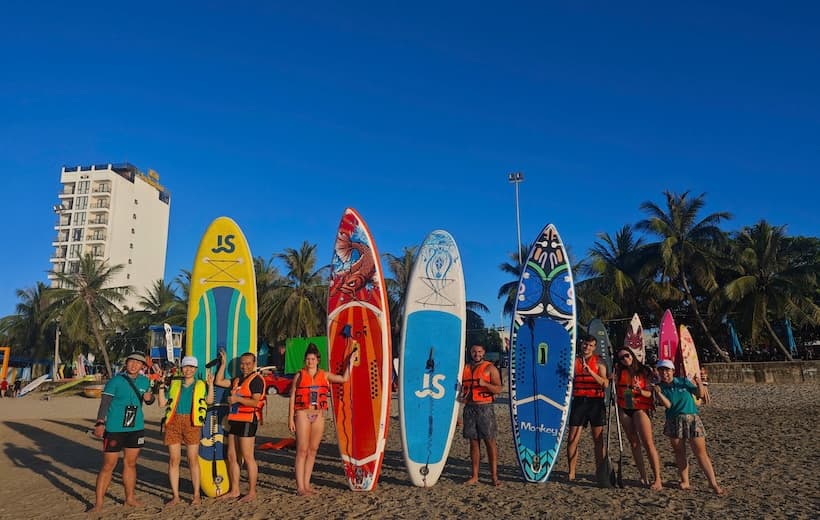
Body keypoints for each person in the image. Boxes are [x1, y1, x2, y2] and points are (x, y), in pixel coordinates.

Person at [89, 351, 155, 513]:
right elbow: (104, 404)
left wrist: (150, 397)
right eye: (131, 361)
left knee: (130, 464)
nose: (134, 365)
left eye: (138, 363)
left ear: (142, 366)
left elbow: (149, 400)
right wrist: (100, 423)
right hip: (114, 428)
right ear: (126, 363)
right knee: (108, 465)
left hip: (136, 428)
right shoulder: (115, 381)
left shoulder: (145, 381)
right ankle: (98, 503)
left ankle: (130, 498)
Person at [653, 360, 726, 495]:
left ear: (672, 371)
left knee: (701, 453)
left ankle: (713, 483)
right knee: (679, 452)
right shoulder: (660, 387)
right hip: (673, 420)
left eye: (667, 370)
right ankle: (685, 480)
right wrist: (658, 393)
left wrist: (699, 382)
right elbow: (668, 405)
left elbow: (700, 394)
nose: (664, 373)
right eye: (661, 370)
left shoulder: (683, 382)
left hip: (692, 418)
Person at [288, 343, 350, 496]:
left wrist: (351, 361)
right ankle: (300, 487)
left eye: (313, 359)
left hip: (318, 415)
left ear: (317, 360)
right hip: (302, 413)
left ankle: (307, 484)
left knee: (313, 450)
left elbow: (344, 378)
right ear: (305, 360)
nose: (310, 362)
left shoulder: (325, 375)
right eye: (308, 359)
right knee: (302, 450)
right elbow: (292, 396)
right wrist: (290, 418)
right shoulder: (299, 375)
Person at [156, 356, 212, 505]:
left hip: (192, 422)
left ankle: (196, 495)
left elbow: (209, 401)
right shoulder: (175, 384)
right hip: (173, 422)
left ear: (196, 369)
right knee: (174, 460)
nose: (188, 370)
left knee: (192, 459)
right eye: (186, 367)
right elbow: (162, 403)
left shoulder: (201, 384)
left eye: (191, 367)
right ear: (182, 368)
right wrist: (161, 386)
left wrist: (211, 385)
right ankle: (175, 496)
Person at [214, 350, 265, 502]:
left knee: (248, 457)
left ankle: (252, 491)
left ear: (254, 364)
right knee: (232, 456)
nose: (245, 366)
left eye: (248, 363)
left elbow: (255, 402)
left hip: (248, 420)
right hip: (235, 420)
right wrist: (223, 364)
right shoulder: (237, 380)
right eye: (242, 364)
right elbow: (218, 381)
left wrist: (237, 399)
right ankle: (235, 490)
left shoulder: (256, 380)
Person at [614, 347, 663, 490]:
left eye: (627, 355)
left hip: (640, 407)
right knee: (634, 443)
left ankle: (657, 479)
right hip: (626, 405)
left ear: (632, 355)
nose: (625, 359)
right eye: (621, 358)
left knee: (648, 443)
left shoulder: (644, 371)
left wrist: (641, 391)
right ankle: (643, 476)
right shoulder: (618, 371)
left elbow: (651, 393)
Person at [566, 335, 609, 483]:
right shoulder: (574, 361)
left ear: (594, 347)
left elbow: (605, 383)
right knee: (572, 439)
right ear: (581, 344)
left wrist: (590, 371)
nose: (587, 347)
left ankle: (600, 471)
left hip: (595, 402)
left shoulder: (599, 361)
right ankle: (571, 472)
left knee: (598, 439)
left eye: (591, 345)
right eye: (585, 344)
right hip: (579, 401)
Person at [459, 344, 503, 486]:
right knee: (473, 442)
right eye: (474, 351)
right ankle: (474, 476)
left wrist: (485, 384)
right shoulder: (465, 368)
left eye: (479, 351)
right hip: (469, 408)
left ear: (483, 352)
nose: (476, 354)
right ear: (470, 353)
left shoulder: (490, 368)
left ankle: (494, 476)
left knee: (490, 442)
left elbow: (498, 389)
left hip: (485, 408)